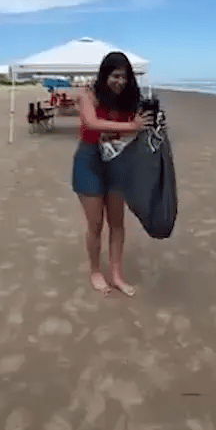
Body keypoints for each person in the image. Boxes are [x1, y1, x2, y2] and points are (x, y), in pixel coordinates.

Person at [72, 52, 153, 296]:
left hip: (117, 163)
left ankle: (117, 275)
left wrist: (148, 123)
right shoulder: (88, 95)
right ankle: (96, 271)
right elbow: (91, 123)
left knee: (117, 224)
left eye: (125, 77)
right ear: (105, 74)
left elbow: (139, 130)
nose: (120, 81)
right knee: (95, 224)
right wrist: (131, 126)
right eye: (115, 76)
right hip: (89, 162)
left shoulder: (130, 100)